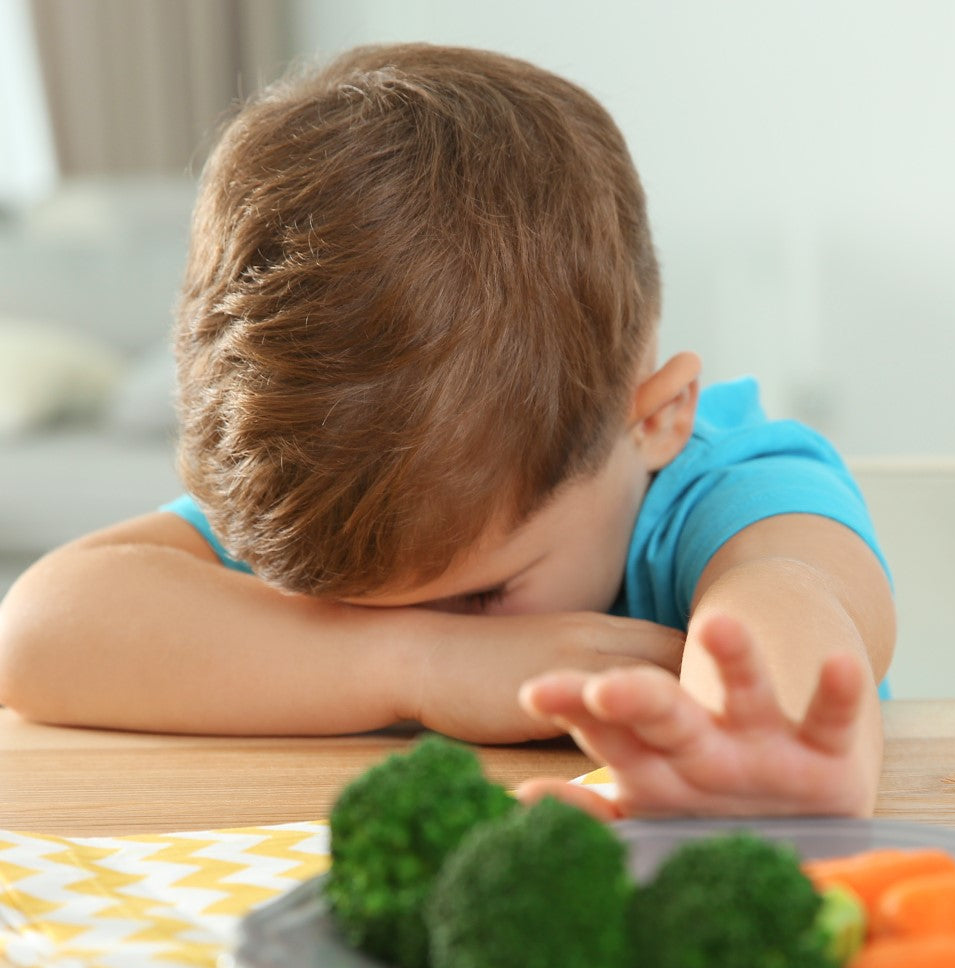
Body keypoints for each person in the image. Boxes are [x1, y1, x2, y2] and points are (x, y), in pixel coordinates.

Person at [0, 44, 895, 819]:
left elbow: (790, 598)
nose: (405, 621)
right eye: (333, 611)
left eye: (479, 596)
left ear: (655, 419)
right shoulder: (341, 495)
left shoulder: (728, 488)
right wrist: (423, 661)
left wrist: (756, 757)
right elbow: (36, 632)